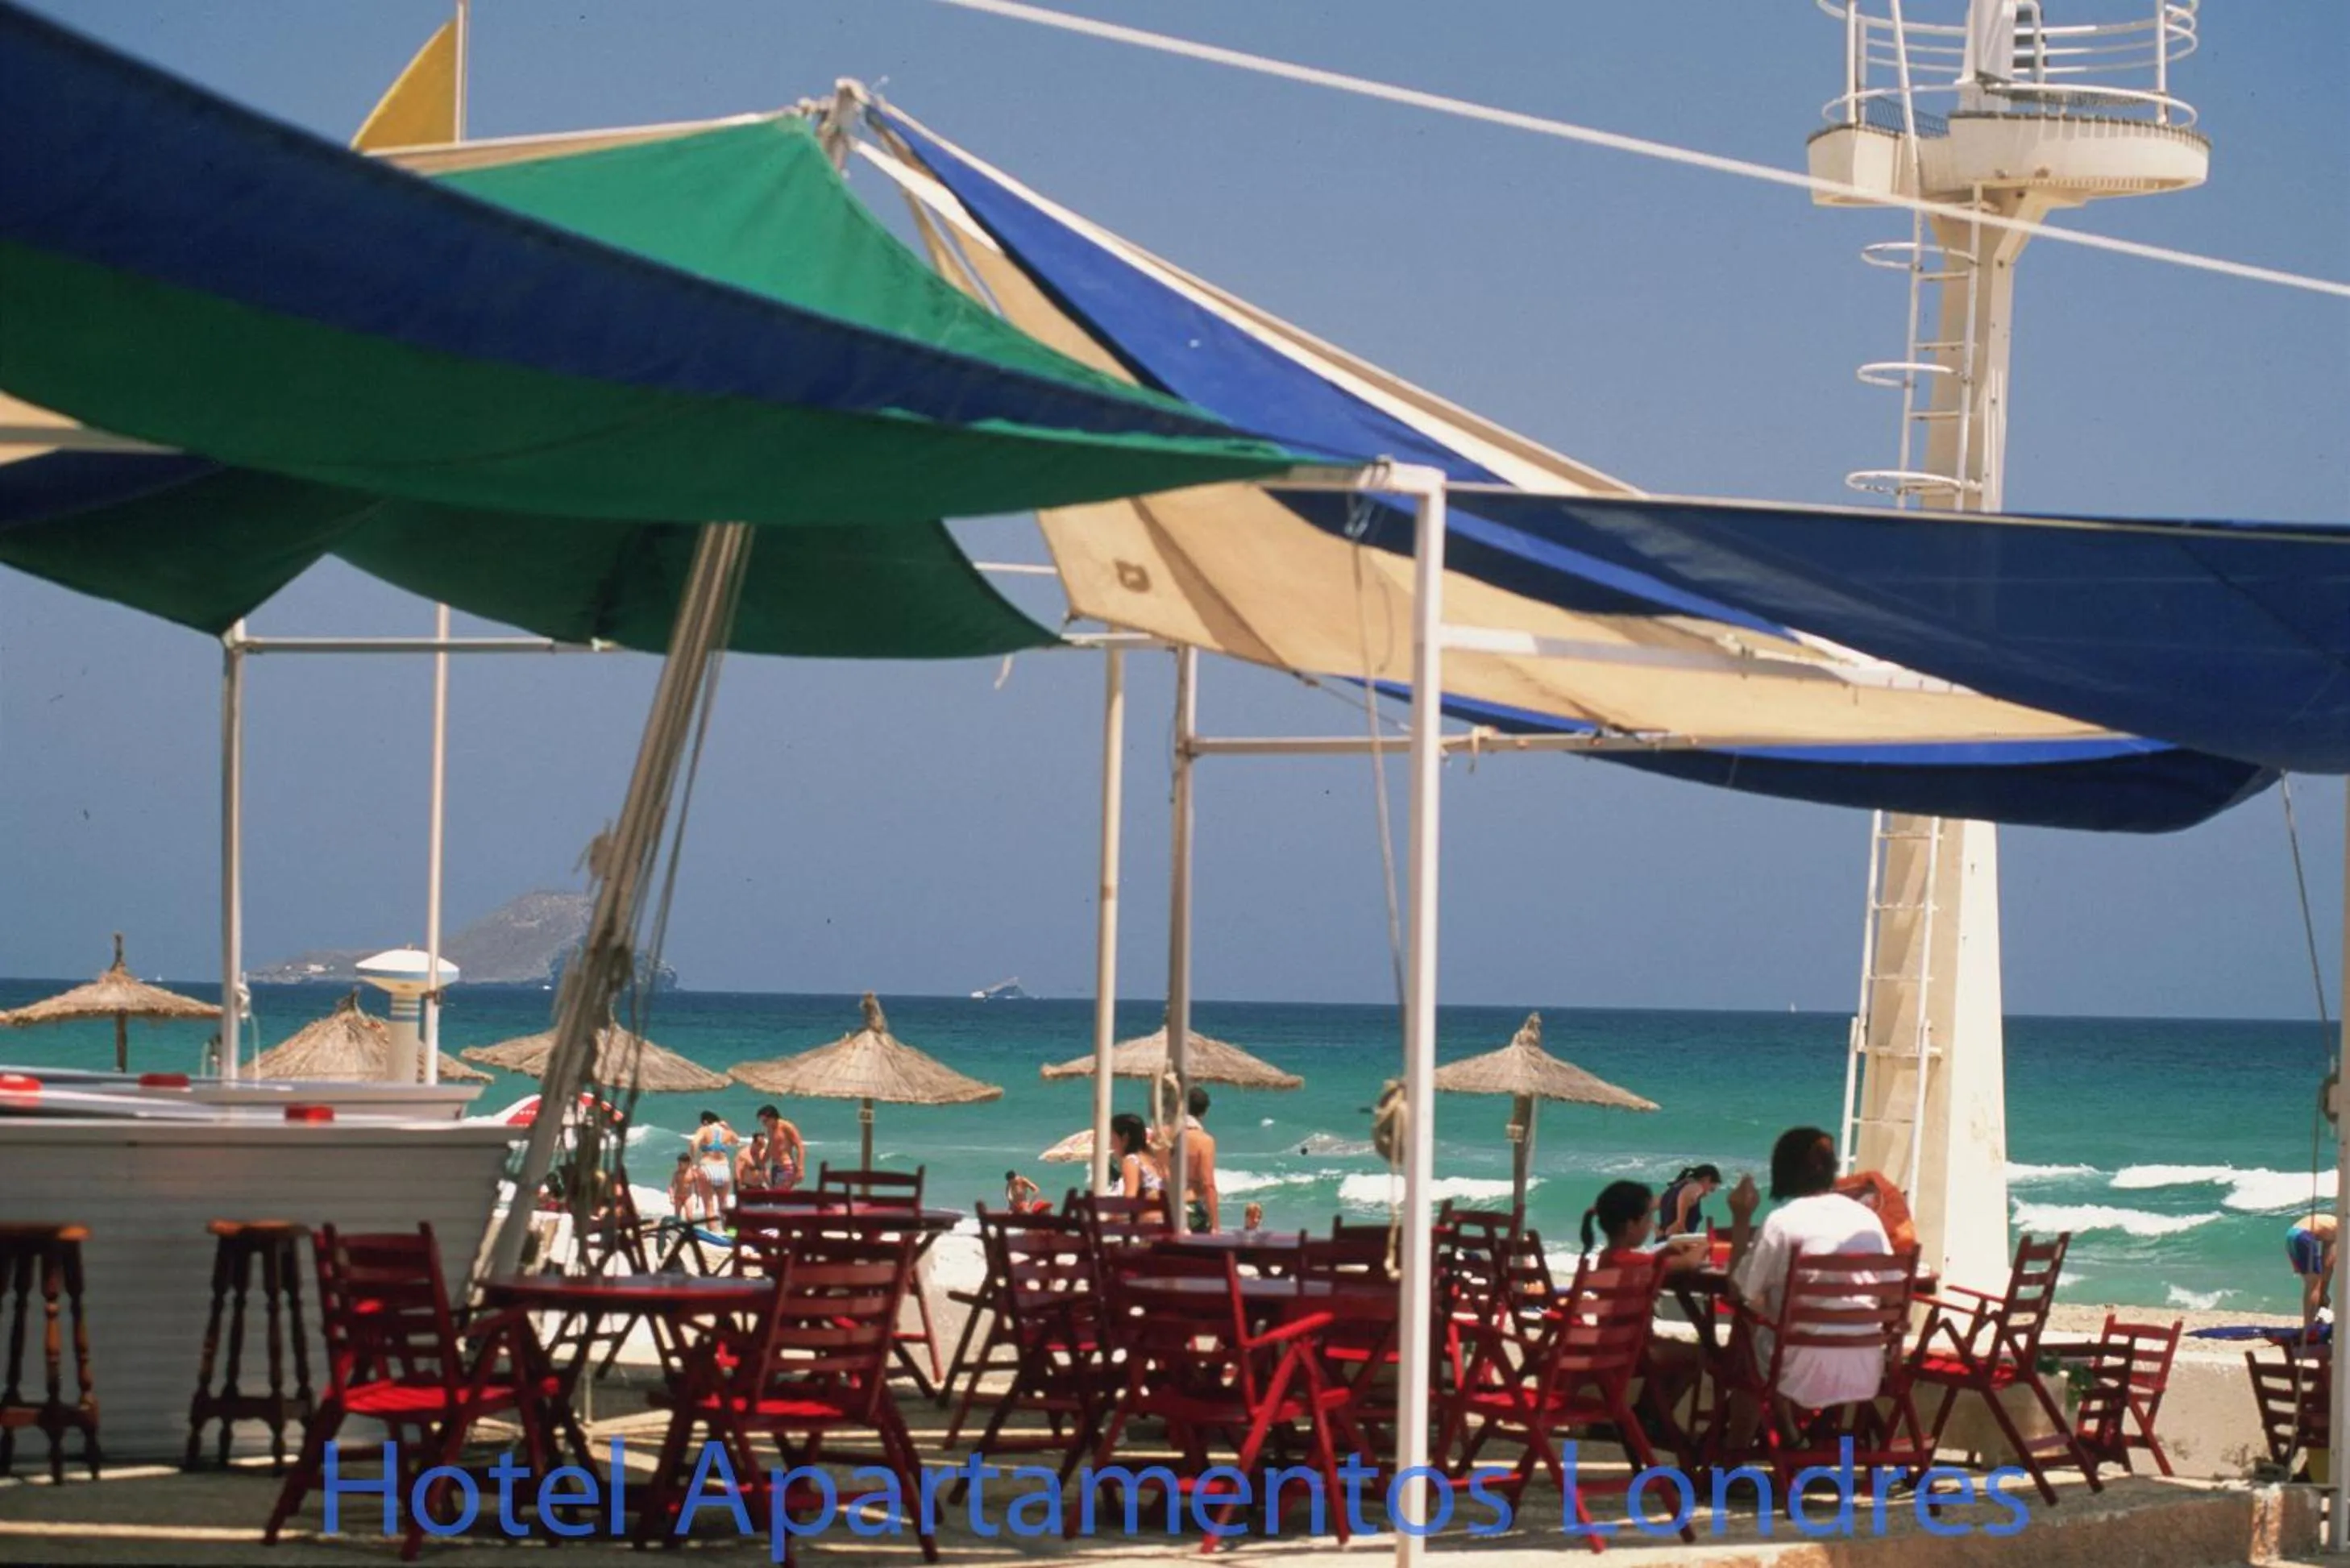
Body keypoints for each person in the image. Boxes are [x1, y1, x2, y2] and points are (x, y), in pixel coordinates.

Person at [1725, 1125, 1893, 1411]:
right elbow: (1891, 1294)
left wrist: (1741, 1218)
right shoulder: (1868, 1220)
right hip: (1863, 1369)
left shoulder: (1783, 1222)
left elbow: (1739, 1290)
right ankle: (1815, 1438)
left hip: (1794, 1373)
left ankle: (1747, 1437)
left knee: (1744, 1337)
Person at [1581, 1180, 1659, 1267]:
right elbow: (1663, 1262)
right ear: (1631, 1226)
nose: (1650, 1225)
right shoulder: (1637, 1262)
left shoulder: (1605, 1257)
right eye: (1648, 1218)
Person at [1177, 1085, 1219, 1232]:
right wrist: (1215, 1226)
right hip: (1190, 1208)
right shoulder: (1204, 1141)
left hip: (1166, 1208)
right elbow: (1208, 1185)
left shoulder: (1166, 1136)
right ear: (1204, 1112)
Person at [2289, 1210, 2338, 1332]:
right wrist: (2324, 1293)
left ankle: (2309, 1324)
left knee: (2311, 1283)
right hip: (2303, 1236)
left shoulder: (2332, 1223)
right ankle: (2309, 1327)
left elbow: (2326, 1262)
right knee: (2314, 1285)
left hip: (2292, 1235)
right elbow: (2328, 1264)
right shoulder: (2341, 1229)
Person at [1109, 1112, 1166, 1209]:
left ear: (1125, 1137)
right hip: (1165, 1213)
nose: (1111, 1142)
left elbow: (1129, 1199)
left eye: (1113, 1137)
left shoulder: (1131, 1160)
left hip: (1148, 1216)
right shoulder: (1151, 1158)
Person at [1658, 1164, 1722, 1237]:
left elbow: (1649, 1204)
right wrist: (1680, 1224)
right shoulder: (1696, 1186)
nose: (1707, 1194)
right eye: (1711, 1190)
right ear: (1707, 1179)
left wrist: (1656, 1229)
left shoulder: (1673, 1189)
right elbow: (1686, 1193)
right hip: (1678, 1241)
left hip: (1664, 1241)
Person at [690, 1110, 739, 1205]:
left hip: (707, 1167)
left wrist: (693, 1163)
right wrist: (728, 1127)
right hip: (724, 1169)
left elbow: (694, 1143)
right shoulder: (726, 1131)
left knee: (709, 1206)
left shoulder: (704, 1129)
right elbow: (736, 1140)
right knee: (723, 1205)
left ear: (705, 1121)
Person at [752, 1104, 804, 1190]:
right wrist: (762, 1162)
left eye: (765, 1121)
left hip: (786, 1166)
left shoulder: (787, 1127)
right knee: (776, 1193)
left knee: (780, 1194)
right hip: (775, 1167)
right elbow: (771, 1147)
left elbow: (800, 1147)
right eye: (762, 1122)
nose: (764, 1124)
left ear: (773, 1118)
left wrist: (800, 1168)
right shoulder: (770, 1129)